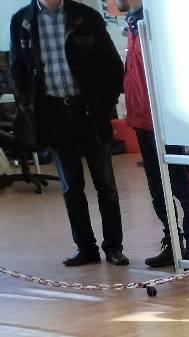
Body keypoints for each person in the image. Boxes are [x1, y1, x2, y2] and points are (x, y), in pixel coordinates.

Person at [9, 0, 128, 266]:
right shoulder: (22, 21)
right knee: (71, 187)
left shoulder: (86, 16)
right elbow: (18, 70)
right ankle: (86, 248)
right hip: (54, 116)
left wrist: (104, 102)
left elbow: (112, 65)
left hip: (89, 113)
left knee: (105, 184)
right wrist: (28, 104)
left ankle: (114, 247)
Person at [116, 0, 189, 269]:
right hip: (142, 121)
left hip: (165, 123)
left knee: (180, 186)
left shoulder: (156, 21)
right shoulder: (132, 24)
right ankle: (173, 243)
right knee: (157, 190)